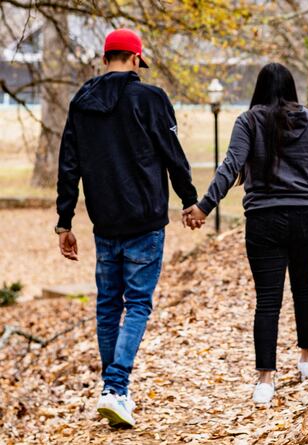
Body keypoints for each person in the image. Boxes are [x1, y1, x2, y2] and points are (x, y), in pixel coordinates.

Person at [55, 28, 205, 427]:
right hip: (144, 219)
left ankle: (114, 389)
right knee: (137, 303)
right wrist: (189, 200)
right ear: (136, 60)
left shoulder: (82, 102)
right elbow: (173, 154)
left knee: (108, 306)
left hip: (104, 222)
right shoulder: (150, 98)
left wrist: (64, 221)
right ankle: (116, 388)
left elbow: (68, 164)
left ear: (105, 59)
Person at [184, 63, 308, 405]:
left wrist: (204, 206)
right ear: (291, 88)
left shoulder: (248, 122)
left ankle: (265, 380)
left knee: (268, 300)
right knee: (304, 287)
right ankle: (306, 358)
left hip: (264, 221)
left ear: (258, 89)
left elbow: (230, 166)